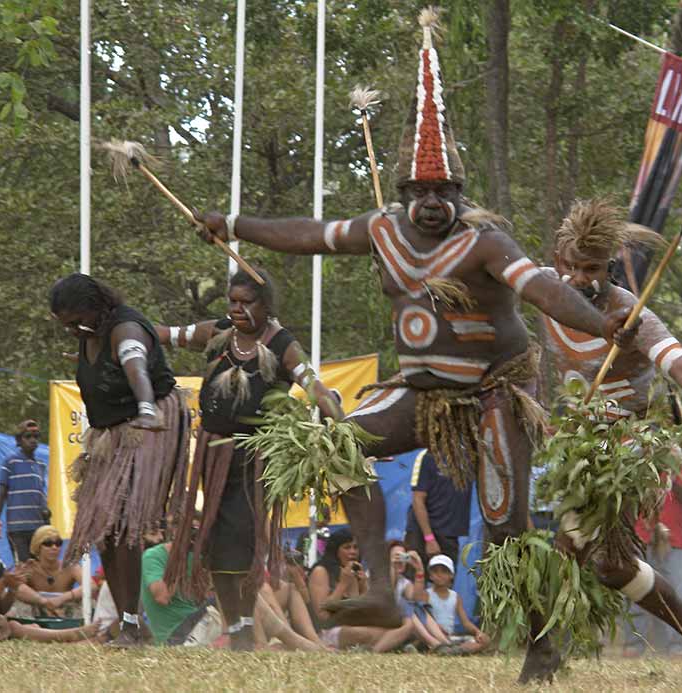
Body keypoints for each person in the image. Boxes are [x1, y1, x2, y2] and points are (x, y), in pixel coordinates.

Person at [193, 11, 635, 681]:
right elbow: (309, 233)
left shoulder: (485, 241)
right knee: (331, 441)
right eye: (421, 191)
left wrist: (603, 326)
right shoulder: (382, 230)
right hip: (422, 394)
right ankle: (375, 583)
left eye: (444, 191)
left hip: (494, 393)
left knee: (509, 524)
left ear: (460, 192)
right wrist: (235, 224)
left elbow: (542, 289)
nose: (432, 201)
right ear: (403, 193)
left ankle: (545, 643)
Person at [536, 199, 682, 682]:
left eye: (592, 268)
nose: (580, 278)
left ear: (609, 266)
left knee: (569, 547)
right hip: (582, 437)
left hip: (628, 443)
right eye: (572, 266)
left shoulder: (632, 315)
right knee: (612, 567)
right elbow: (491, 273)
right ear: (559, 259)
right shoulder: (544, 288)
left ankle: (544, 657)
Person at [159, 268, 343, 651]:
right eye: (233, 301)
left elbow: (313, 384)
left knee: (242, 542)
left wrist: (334, 413)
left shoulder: (282, 344)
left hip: (255, 461)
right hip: (214, 457)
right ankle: (238, 625)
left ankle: (245, 626)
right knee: (215, 544)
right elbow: (171, 335)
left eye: (247, 302)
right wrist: (129, 328)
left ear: (267, 305)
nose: (238, 309)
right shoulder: (220, 332)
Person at [49, 273, 191, 647]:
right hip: (111, 432)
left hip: (150, 424)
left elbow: (136, 367)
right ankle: (131, 623)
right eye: (65, 325)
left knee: (123, 522)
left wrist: (146, 408)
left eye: (74, 320)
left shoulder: (125, 329)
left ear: (95, 307)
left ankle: (130, 624)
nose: (71, 330)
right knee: (103, 531)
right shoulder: (88, 333)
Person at [627, 442, 682, 657]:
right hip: (641, 537)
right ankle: (634, 644)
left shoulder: (680, 469)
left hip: (674, 541)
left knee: (676, 593)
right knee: (636, 590)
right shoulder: (636, 466)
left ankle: (676, 645)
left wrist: (672, 473)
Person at [330, 541, 424, 653]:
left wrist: (419, 570)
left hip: (387, 622)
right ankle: (386, 648)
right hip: (369, 619)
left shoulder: (404, 582)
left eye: (404, 557)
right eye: (396, 556)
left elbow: (416, 599)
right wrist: (390, 569)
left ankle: (377, 650)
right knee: (407, 623)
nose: (399, 560)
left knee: (410, 618)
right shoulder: (372, 575)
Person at [404, 450, 471, 568]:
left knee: (445, 581)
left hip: (449, 534)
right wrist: (429, 538)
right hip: (421, 533)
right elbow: (417, 499)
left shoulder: (470, 454)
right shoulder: (428, 456)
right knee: (414, 578)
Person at [13, 526, 92, 618]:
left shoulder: (70, 567)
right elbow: (16, 588)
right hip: (37, 619)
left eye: (58, 543)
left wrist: (62, 598)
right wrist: (44, 602)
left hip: (66, 617)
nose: (54, 547)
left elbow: (91, 585)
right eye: (48, 543)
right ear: (38, 546)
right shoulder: (29, 568)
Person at [0, 420, 49, 564]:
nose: (33, 440)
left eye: (36, 436)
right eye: (28, 436)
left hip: (38, 528)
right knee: (23, 569)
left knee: (38, 570)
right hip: (18, 528)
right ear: (18, 440)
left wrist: (47, 523)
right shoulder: (10, 462)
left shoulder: (40, 465)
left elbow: (40, 495)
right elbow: (1, 492)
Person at [309, 528, 368, 636]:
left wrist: (363, 586)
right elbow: (322, 616)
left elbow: (362, 613)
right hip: (327, 632)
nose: (353, 552)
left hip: (353, 627)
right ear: (335, 551)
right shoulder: (321, 571)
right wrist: (343, 584)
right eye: (347, 547)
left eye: (355, 547)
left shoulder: (353, 573)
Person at [425, 555, 489, 654]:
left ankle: (456, 650)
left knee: (484, 641)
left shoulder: (455, 597)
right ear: (430, 575)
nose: (439, 575)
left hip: (450, 637)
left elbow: (465, 622)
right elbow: (424, 617)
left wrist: (478, 632)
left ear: (451, 575)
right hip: (433, 636)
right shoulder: (426, 595)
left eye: (444, 571)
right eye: (435, 571)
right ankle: (448, 649)